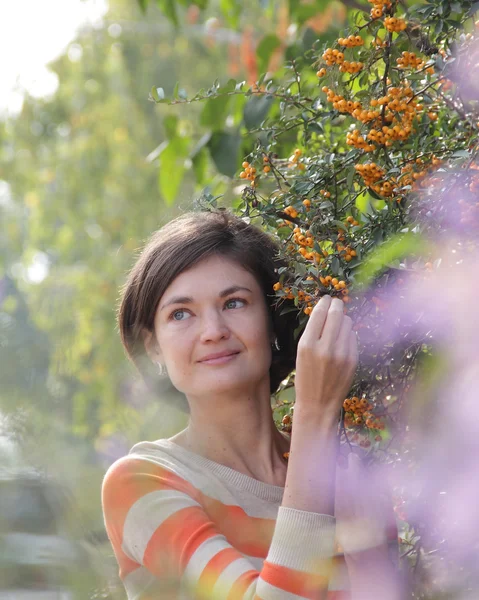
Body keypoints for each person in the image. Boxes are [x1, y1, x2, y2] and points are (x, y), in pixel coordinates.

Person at [101, 209, 400, 599]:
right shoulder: (140, 483)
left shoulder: (349, 465)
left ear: (273, 319)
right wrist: (314, 416)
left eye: (234, 303)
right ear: (152, 345)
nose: (213, 331)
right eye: (180, 314)